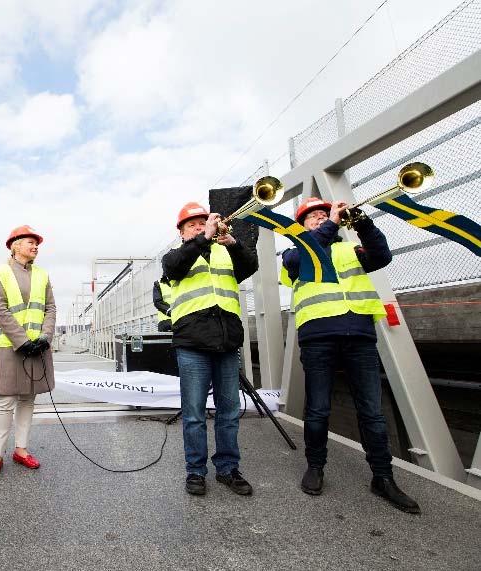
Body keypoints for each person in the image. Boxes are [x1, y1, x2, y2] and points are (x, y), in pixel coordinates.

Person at [281, 197, 420, 514]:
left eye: (323, 214)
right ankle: (315, 467)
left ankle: (383, 478)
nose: (319, 218)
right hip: (318, 337)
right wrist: (330, 222)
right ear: (301, 226)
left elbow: (382, 256)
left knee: (372, 411)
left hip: (358, 334)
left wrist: (363, 222)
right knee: (317, 408)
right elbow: (303, 256)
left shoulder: (351, 250)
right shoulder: (296, 252)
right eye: (312, 217)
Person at [162, 202, 258, 496]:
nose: (199, 226)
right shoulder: (176, 255)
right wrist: (204, 237)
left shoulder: (224, 252)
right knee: (194, 413)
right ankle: (195, 471)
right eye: (191, 224)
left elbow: (250, 265)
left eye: (203, 222)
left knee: (229, 411)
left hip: (226, 341)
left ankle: (228, 468)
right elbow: (174, 267)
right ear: (180, 232)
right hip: (193, 342)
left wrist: (234, 242)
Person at [0, 225, 56, 479]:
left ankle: (21, 450)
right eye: (30, 242)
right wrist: (22, 340)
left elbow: (50, 309)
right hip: (9, 346)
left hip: (37, 346)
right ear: (14, 245)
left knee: (28, 397)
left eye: (37, 243)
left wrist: (45, 337)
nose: (35, 246)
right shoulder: (0, 272)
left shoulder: (43, 275)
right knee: (5, 401)